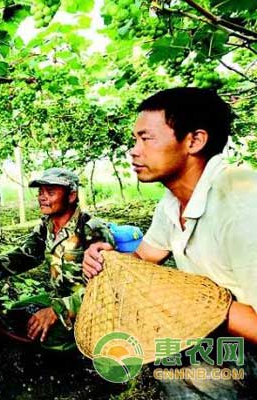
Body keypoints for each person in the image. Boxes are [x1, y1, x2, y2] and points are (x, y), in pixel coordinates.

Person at [83, 87, 257, 399]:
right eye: (135, 140)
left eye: (146, 138)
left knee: (185, 367)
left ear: (195, 141)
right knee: (166, 350)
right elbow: (143, 258)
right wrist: (107, 259)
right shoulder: (173, 199)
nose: (134, 151)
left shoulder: (243, 206)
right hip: (228, 332)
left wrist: (198, 307)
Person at [0, 168, 113, 349]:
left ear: (71, 196)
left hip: (88, 305)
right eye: (40, 192)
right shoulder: (46, 225)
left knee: (48, 339)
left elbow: (107, 288)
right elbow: (25, 255)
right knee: (13, 316)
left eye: (51, 192)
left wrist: (58, 310)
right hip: (57, 298)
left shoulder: (92, 230)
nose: (42, 197)